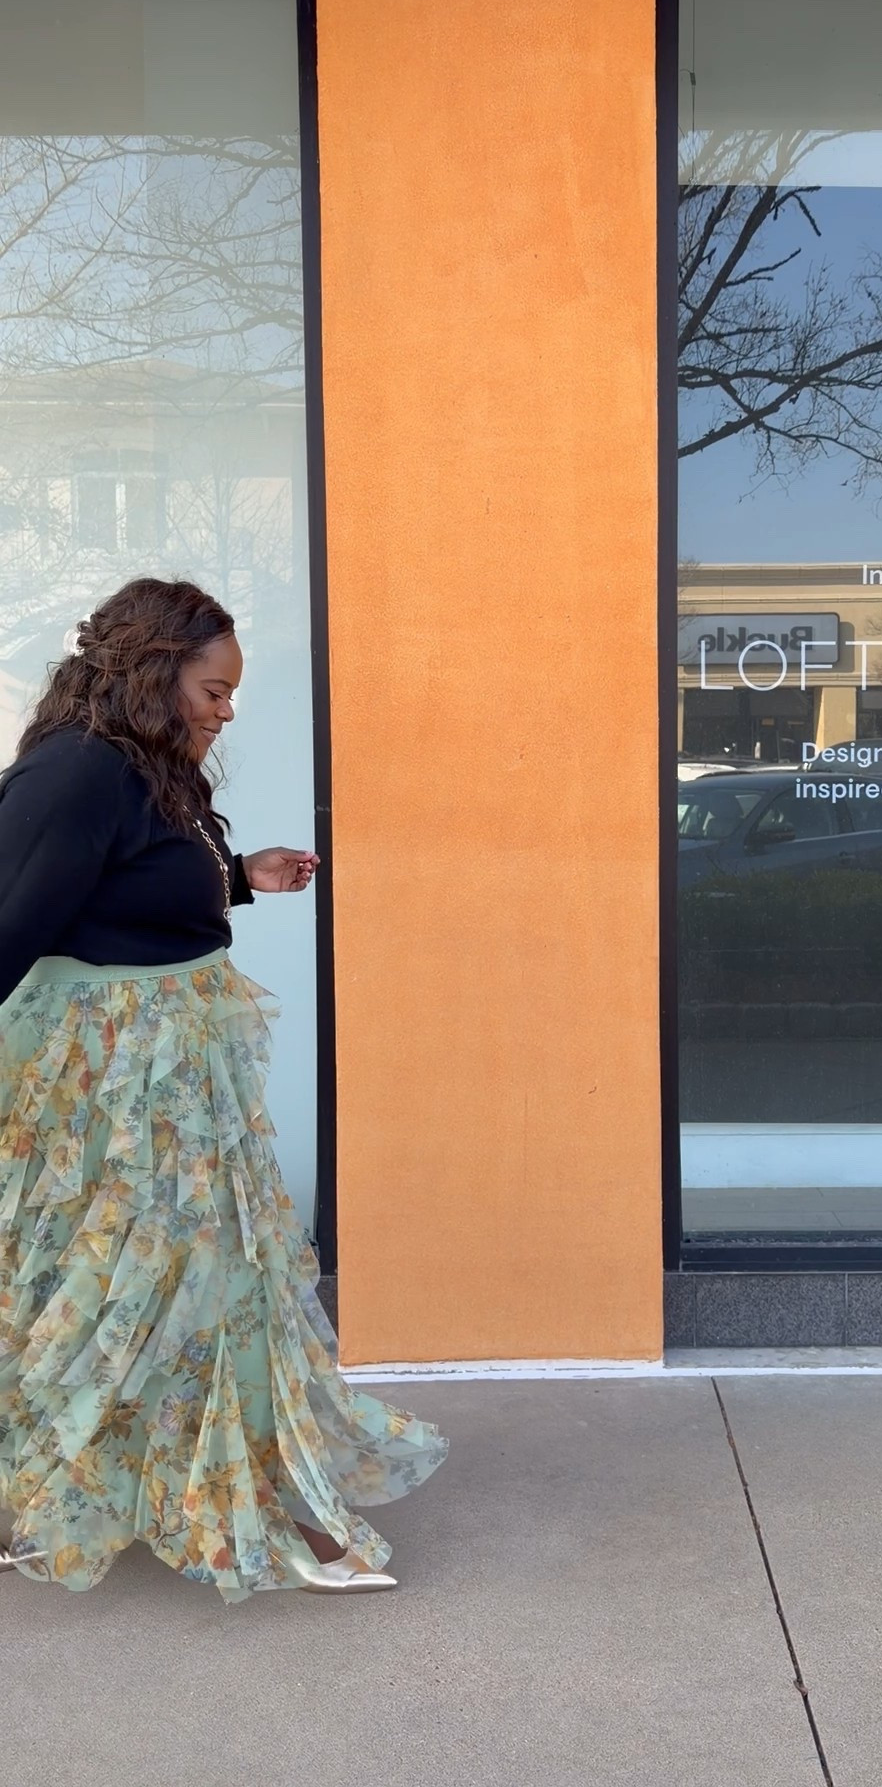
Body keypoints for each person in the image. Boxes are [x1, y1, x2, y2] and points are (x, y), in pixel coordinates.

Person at [0, 578, 447, 1600]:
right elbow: (15, 923)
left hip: (179, 1079)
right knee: (162, 1294)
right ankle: (211, 1498)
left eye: (231, 690)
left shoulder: (150, 772)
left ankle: (69, 1497)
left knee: (176, 1292)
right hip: (114, 1092)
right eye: (214, 687)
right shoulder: (72, 774)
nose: (227, 707)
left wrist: (244, 876)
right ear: (152, 673)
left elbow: (127, 890)